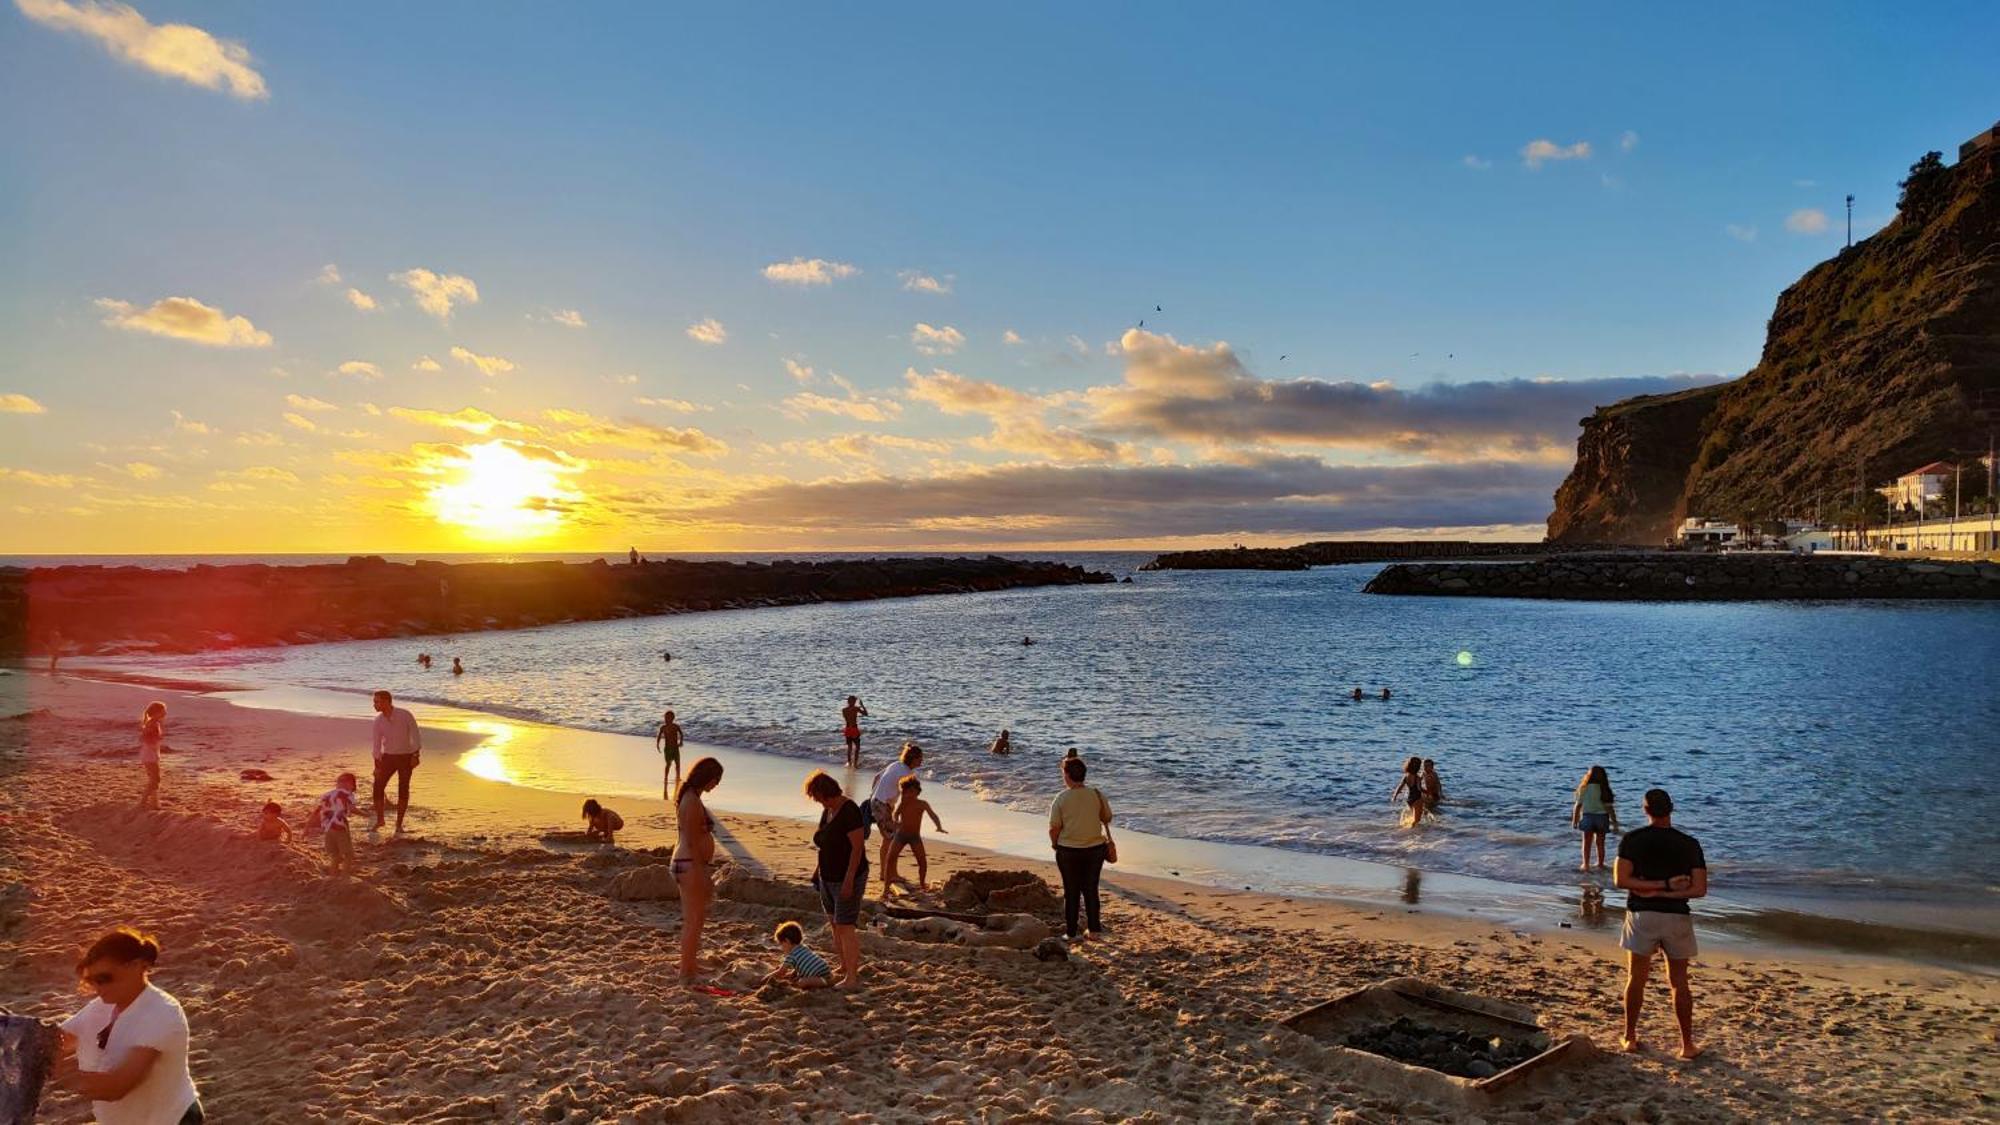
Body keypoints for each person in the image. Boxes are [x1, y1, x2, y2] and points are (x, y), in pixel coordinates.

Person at [54, 927, 202, 1124]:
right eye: (92, 981)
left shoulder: (161, 1013)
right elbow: (57, 1042)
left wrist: (59, 1076)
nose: (98, 988)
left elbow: (116, 1088)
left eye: (105, 979)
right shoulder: (101, 1007)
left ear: (137, 966)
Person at [1614, 787, 1708, 1060]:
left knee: (1636, 978)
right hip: (1676, 915)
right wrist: (1668, 889)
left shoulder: (1632, 840)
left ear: (1645, 810)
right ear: (1671, 809)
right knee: (1679, 981)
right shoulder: (1689, 843)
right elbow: (1699, 889)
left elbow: (1621, 880)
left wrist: (1653, 889)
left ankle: (1630, 1037)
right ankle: (1687, 1044)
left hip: (1642, 914)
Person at [805, 770, 866, 989]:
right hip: (827, 876)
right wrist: (817, 871)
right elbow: (826, 844)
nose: (817, 801)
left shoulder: (850, 811)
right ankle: (843, 964)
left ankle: (852, 977)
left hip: (847, 876)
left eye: (817, 797)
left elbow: (857, 849)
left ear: (825, 792)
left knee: (845, 925)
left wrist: (849, 880)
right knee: (834, 923)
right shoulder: (828, 811)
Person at [1048, 754, 1114, 943]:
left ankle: (1071, 932)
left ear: (1067, 775)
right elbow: (1107, 817)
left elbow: (1054, 828)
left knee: (1072, 891)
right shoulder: (1096, 794)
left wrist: (1055, 844)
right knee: (1091, 889)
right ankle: (1094, 930)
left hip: (1068, 850)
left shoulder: (1061, 798)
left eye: (1063, 773)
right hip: (1095, 849)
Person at [674, 757, 724, 982]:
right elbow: (693, 842)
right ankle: (687, 970)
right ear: (707, 777)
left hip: (684, 861)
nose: (715, 786)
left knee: (695, 918)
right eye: (715, 781)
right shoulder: (692, 801)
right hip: (689, 863)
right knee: (694, 919)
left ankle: (690, 964)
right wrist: (703, 875)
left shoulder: (688, 797)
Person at [369, 690, 422, 835]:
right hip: (388, 757)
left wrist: (416, 754)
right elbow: (376, 745)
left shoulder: (405, 714)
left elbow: (415, 735)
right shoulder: (378, 721)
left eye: (377, 701)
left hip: (406, 757)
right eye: (374, 702)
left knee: (403, 789)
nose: (375, 704)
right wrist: (377, 766)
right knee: (378, 787)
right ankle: (380, 820)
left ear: (387, 701)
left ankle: (399, 824)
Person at [882, 776, 946, 893]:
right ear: (904, 792)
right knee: (890, 859)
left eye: (912, 791)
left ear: (917, 791)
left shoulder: (922, 804)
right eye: (906, 792)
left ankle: (922, 884)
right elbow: (896, 813)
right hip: (900, 835)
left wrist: (939, 826)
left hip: (915, 837)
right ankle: (885, 888)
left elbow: (933, 815)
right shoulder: (903, 803)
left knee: (922, 862)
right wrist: (896, 820)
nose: (909, 794)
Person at [870, 741, 923, 871]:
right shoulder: (907, 774)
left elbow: (876, 777)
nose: (922, 761)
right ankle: (888, 872)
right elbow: (908, 798)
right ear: (913, 759)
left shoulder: (896, 764)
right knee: (893, 840)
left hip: (879, 802)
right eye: (920, 758)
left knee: (889, 839)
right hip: (882, 805)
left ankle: (886, 871)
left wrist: (874, 796)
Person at [1571, 765, 1620, 871]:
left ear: (1589, 776)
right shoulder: (1604, 789)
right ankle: (1600, 864)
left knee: (1586, 842)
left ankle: (1586, 865)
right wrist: (1614, 822)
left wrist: (1574, 820)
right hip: (1602, 818)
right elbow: (1609, 808)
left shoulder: (1584, 788)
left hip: (1587, 816)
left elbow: (1578, 806)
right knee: (1600, 843)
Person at [764, 920, 833, 989]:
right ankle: (825, 980)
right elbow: (801, 964)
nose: (781, 947)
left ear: (787, 941)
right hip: (825, 969)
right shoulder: (803, 947)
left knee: (802, 982)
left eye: (781, 944)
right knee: (799, 978)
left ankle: (824, 982)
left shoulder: (791, 955)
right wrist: (793, 974)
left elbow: (781, 972)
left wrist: (766, 978)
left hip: (818, 975)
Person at [314, 772, 361, 874]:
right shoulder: (347, 794)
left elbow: (317, 811)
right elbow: (352, 809)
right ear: (352, 785)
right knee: (348, 855)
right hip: (340, 827)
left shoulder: (327, 794)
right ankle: (345, 876)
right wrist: (367, 814)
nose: (344, 784)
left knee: (335, 855)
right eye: (342, 781)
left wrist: (306, 828)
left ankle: (333, 875)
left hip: (327, 829)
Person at [137, 702, 166, 811]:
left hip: (149, 753)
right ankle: (143, 802)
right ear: (157, 712)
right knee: (155, 779)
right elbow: (147, 739)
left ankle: (154, 803)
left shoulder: (152, 723)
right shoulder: (153, 724)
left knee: (153, 779)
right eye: (163, 711)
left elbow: (143, 738)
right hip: (150, 754)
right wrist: (155, 742)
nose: (165, 713)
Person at [1391, 756, 1427, 827]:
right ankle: (1411, 831)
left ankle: (1408, 827)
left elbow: (1400, 786)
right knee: (1417, 820)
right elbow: (1419, 788)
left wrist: (1395, 795)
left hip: (1409, 799)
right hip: (1417, 799)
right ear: (1418, 767)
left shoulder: (1406, 776)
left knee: (1414, 816)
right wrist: (1427, 792)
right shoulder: (1417, 777)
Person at [655, 710, 684, 797]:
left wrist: (681, 742)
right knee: (668, 764)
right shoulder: (663, 727)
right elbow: (659, 736)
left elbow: (681, 734)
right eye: (665, 718)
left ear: (672, 719)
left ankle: (678, 777)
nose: (666, 719)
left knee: (677, 764)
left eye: (668, 718)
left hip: (675, 748)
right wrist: (657, 744)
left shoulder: (676, 726)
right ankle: (666, 778)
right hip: (667, 749)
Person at [840, 696, 868, 768]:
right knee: (857, 747)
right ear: (851, 701)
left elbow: (846, 718)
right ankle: (855, 764)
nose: (854, 702)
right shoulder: (856, 708)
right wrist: (862, 706)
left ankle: (849, 762)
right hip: (854, 729)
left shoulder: (844, 710)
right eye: (854, 701)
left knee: (849, 747)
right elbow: (866, 714)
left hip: (847, 729)